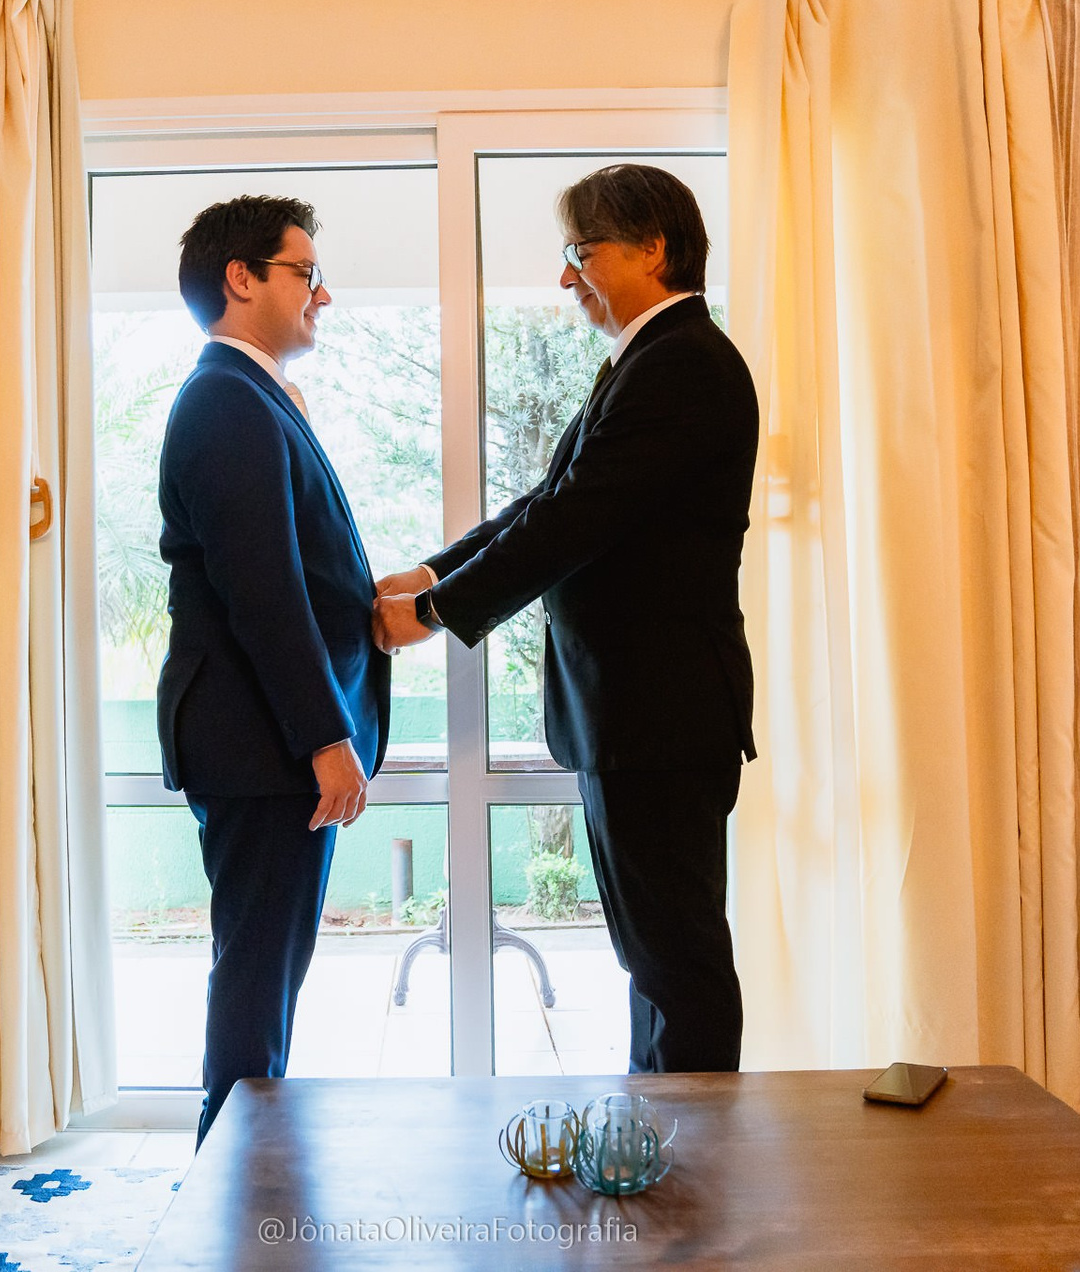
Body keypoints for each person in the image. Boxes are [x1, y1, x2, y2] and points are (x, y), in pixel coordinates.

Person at [374, 164, 759, 1074]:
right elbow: (550, 502)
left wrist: (433, 611)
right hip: (637, 719)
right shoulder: (647, 360)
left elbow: (573, 520)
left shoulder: (683, 364)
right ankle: (660, 1132)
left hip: (659, 720)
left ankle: (700, 1150)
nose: (565, 277)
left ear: (653, 248)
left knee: (677, 964)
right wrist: (433, 570)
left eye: (581, 253)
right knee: (652, 960)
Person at [158, 195, 389, 1143]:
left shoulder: (252, 396)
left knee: (265, 969)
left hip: (265, 743)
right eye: (306, 273)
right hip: (261, 747)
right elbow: (265, 591)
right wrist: (325, 738)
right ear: (241, 278)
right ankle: (234, 1181)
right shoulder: (224, 399)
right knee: (257, 972)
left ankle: (243, 1169)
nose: (322, 295)